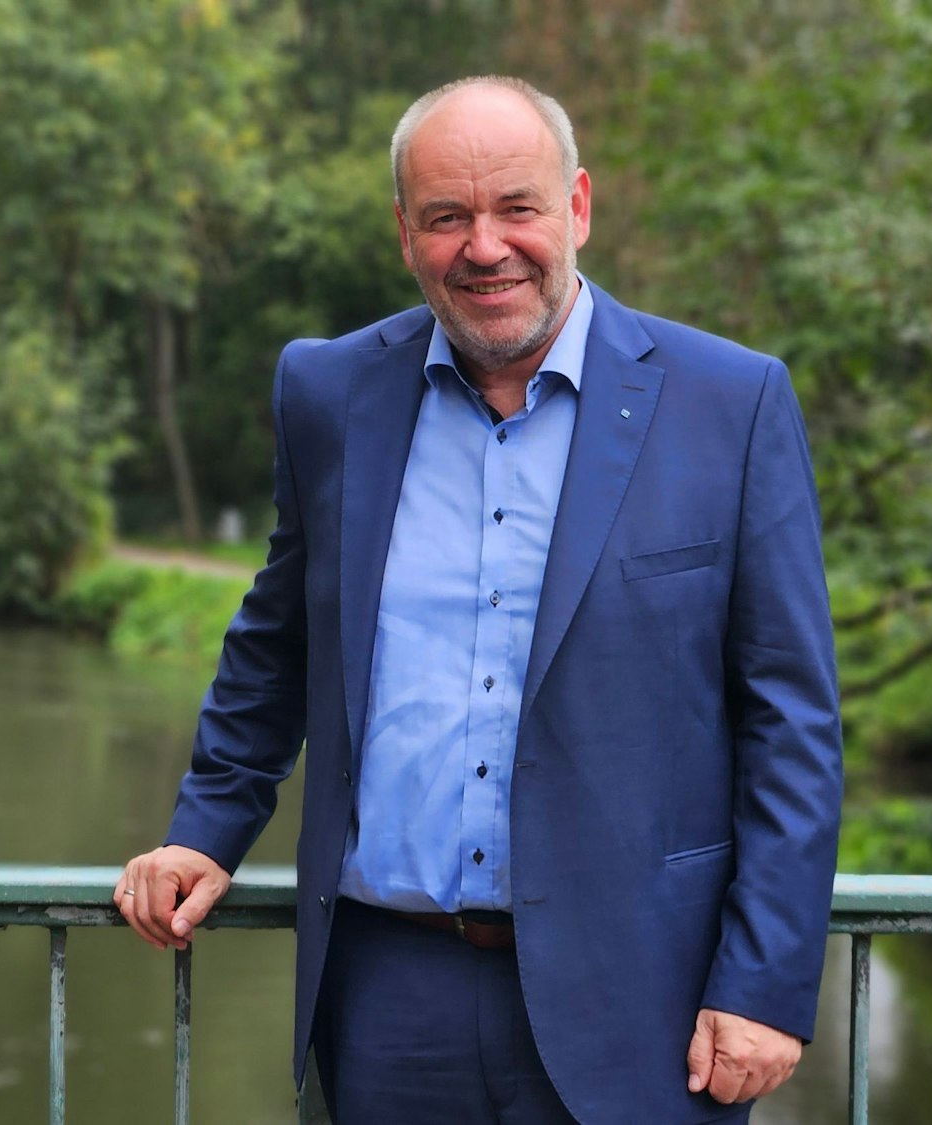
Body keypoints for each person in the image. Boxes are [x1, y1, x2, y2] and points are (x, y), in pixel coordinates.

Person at [115, 76, 842, 1125]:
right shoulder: (327, 394)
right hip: (388, 998)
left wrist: (765, 983)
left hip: (648, 999)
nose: (484, 246)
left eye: (517, 208)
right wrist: (204, 827)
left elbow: (791, 723)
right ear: (403, 230)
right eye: (447, 217)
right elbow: (278, 642)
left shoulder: (728, 402)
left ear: (578, 207)